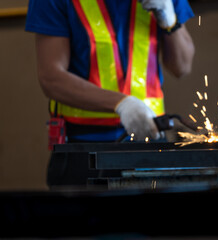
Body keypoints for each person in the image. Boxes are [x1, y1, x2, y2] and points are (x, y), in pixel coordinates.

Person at [25, 0, 195, 187]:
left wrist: (170, 22)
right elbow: (51, 78)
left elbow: (182, 67)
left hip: (150, 143)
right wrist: (122, 103)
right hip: (83, 148)